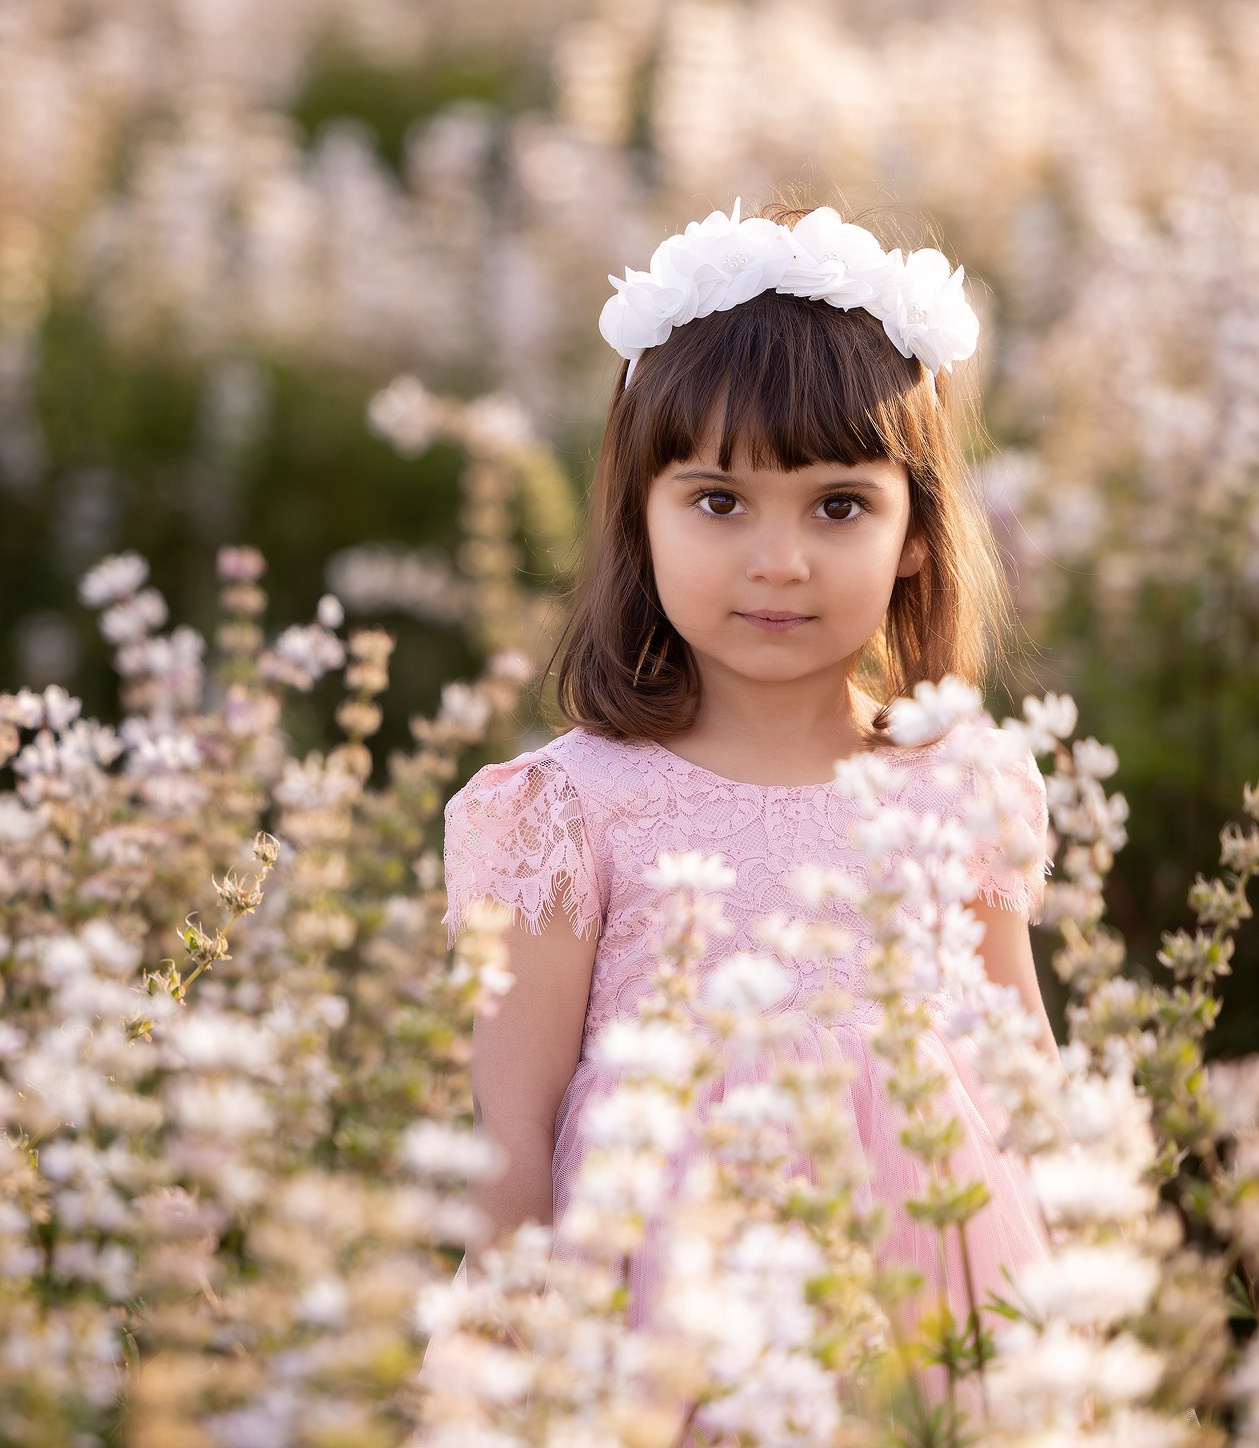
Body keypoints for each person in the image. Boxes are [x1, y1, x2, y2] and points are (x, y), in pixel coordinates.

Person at [438, 199, 1055, 1350]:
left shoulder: (955, 788)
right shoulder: (572, 810)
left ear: (914, 532)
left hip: (922, 1326)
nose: (779, 561)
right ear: (642, 515)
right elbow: (510, 1131)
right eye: (718, 501)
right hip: (658, 1340)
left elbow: (1026, 1088)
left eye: (838, 505)